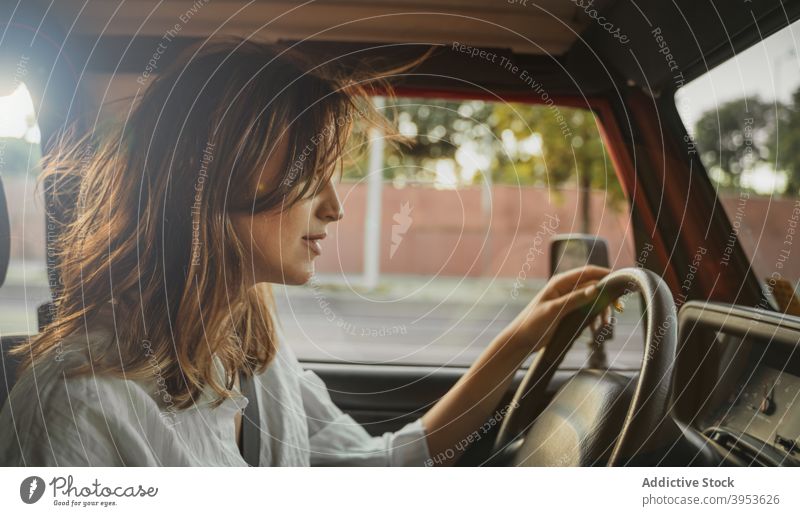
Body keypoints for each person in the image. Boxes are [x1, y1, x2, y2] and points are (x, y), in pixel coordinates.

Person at [0, 37, 610, 466]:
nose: (334, 208)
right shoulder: (79, 405)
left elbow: (379, 467)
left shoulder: (248, 359)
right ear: (211, 177)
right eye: (308, 175)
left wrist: (522, 338)